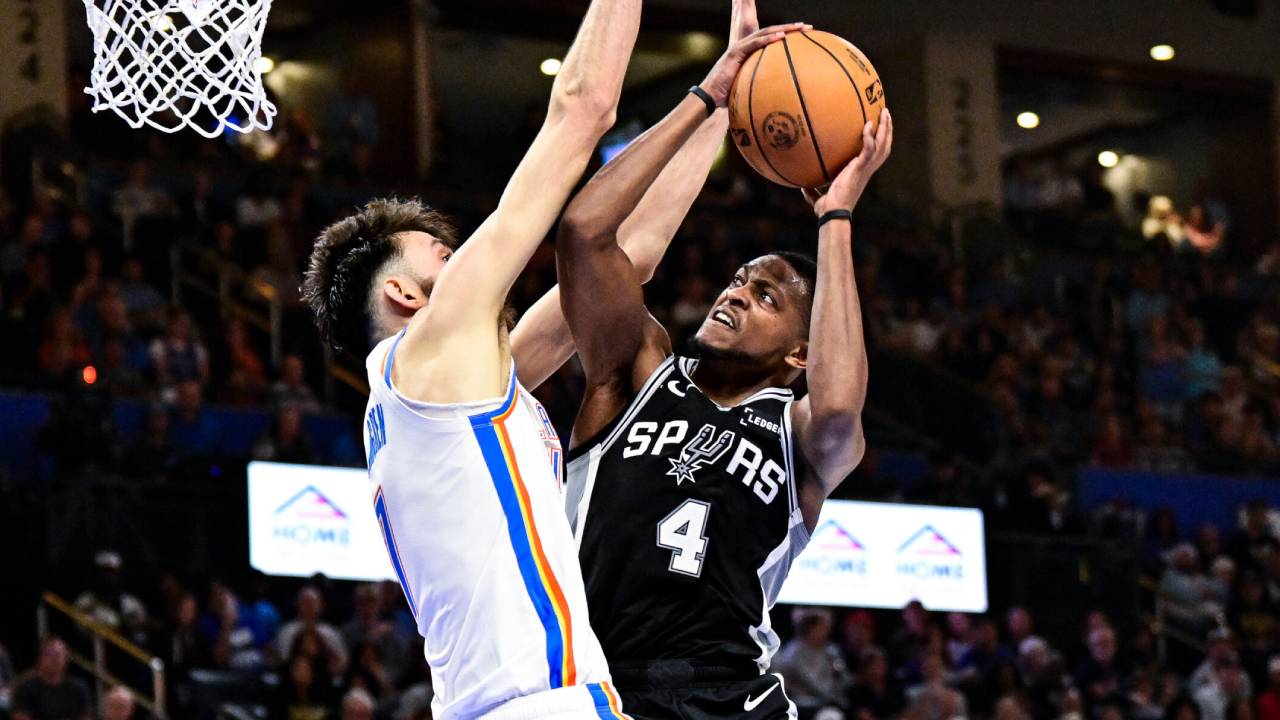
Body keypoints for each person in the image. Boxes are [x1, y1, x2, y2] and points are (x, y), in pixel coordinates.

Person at [297, 0, 656, 714]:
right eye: (443, 255)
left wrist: (716, 105)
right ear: (403, 292)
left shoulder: (443, 398)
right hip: (537, 702)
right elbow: (583, 109)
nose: (464, 262)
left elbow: (631, 257)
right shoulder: (426, 353)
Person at [555, 0, 890, 709]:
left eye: (767, 297)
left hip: (733, 694)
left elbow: (837, 413)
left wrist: (834, 215)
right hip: (602, 687)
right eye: (740, 281)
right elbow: (584, 232)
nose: (735, 295)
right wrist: (707, 97)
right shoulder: (637, 369)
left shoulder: (795, 434)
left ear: (800, 352)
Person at [10, 637, 91, 720]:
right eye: (49, 654)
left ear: (66, 658)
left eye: (58, 655)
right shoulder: (26, 688)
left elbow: (85, 717)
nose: (54, 659)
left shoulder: (78, 688)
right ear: (40, 658)